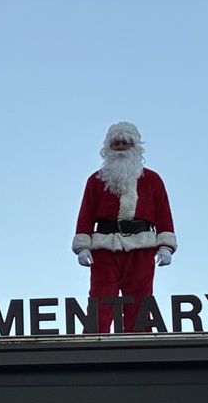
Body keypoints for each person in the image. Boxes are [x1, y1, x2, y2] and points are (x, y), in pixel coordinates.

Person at [72, 121, 176, 333]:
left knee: (141, 298)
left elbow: (163, 213)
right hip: (105, 247)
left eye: (125, 143)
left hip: (142, 248)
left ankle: (139, 344)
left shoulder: (153, 180)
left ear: (135, 147)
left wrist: (165, 245)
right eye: (116, 143)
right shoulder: (96, 181)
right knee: (101, 298)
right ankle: (93, 342)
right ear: (108, 148)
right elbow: (86, 214)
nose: (120, 148)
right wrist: (83, 245)